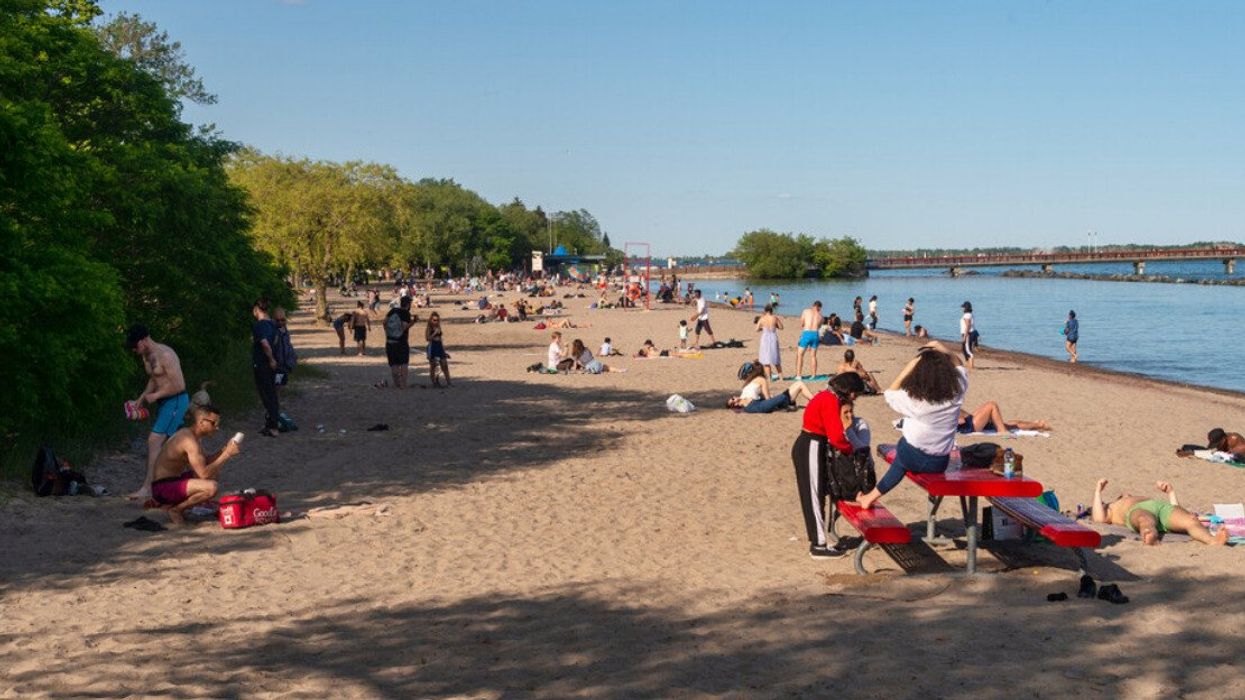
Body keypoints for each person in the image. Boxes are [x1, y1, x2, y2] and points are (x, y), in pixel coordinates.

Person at [857, 342, 967, 509]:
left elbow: (890, 393)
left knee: (902, 450)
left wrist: (913, 363)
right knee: (904, 450)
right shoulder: (957, 390)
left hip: (913, 457)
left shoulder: (915, 400)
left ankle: (869, 497)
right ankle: (870, 497)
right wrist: (939, 346)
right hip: (940, 461)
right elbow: (959, 363)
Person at [791, 372, 866, 558]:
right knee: (814, 496)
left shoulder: (826, 396)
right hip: (812, 445)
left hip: (811, 444)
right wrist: (851, 450)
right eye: (855, 393)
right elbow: (837, 436)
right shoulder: (830, 400)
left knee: (817, 494)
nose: (855, 397)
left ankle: (820, 540)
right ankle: (818, 545)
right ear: (848, 390)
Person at [125, 325, 188, 501]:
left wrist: (157, 395)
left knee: (154, 440)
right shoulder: (146, 356)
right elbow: (155, 379)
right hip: (164, 402)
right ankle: (201, 475)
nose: (133, 349)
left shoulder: (166, 355)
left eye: (135, 345)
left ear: (145, 340)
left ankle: (148, 488)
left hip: (176, 400)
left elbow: (179, 385)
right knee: (185, 441)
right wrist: (141, 398)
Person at [150, 404, 240, 526]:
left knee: (214, 474)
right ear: (201, 422)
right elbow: (203, 474)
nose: (217, 427)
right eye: (214, 423)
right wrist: (227, 455)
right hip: (162, 488)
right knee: (211, 487)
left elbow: (205, 461)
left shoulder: (192, 436)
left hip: (171, 482)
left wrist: (224, 450)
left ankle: (177, 506)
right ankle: (176, 510)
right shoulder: (188, 440)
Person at [1093, 478, 1228, 546]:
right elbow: (1099, 518)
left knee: (1190, 520)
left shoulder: (1133, 498)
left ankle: (1212, 540)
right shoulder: (1112, 506)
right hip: (1138, 510)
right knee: (1145, 520)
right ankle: (1150, 534)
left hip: (1161, 507)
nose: (1126, 493)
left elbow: (1177, 508)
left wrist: (1170, 492)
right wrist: (1098, 491)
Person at [727, 362, 813, 413]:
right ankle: (816, 402)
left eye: (732, 398)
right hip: (757, 405)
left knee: (799, 384)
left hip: (757, 404)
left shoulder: (746, 389)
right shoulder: (760, 380)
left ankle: (791, 403)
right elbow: (768, 399)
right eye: (733, 400)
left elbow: (763, 397)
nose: (734, 398)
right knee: (796, 387)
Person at [251, 300, 281, 437]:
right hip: (272, 365)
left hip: (263, 364)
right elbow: (275, 342)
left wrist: (270, 359)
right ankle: (270, 423)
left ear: (257, 309)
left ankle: (273, 426)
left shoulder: (259, 326)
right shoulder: (273, 324)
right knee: (272, 393)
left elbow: (265, 344)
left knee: (266, 394)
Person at [958, 401, 1051, 433]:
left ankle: (1036, 425)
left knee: (1008, 424)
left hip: (970, 421)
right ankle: (1002, 431)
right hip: (969, 425)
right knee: (991, 405)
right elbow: (960, 421)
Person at [384, 297, 415, 389]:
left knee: (394, 364)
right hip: (401, 342)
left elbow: (384, 322)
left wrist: (388, 333)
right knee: (404, 363)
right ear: (408, 304)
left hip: (390, 341)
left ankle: (396, 384)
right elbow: (404, 327)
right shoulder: (406, 313)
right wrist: (414, 322)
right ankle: (403, 385)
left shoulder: (392, 310)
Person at [755, 304, 784, 380]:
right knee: (776, 358)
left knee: (766, 359)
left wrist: (762, 328)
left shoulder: (762, 318)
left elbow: (757, 329)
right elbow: (781, 327)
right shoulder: (775, 318)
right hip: (773, 337)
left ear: (765, 310)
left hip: (765, 338)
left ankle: (769, 378)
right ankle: (781, 377)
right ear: (772, 310)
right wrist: (775, 326)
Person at [796, 301, 823, 379]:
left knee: (800, 355)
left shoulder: (806, 311)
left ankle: (798, 375)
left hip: (807, 333)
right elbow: (819, 326)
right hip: (815, 334)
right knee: (813, 356)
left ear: (813, 305)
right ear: (820, 308)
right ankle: (813, 375)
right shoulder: (821, 317)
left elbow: (802, 324)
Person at [425, 312, 451, 387]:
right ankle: (434, 383)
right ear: (431, 320)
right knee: (433, 366)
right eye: (434, 320)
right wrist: (434, 333)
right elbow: (427, 338)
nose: (436, 322)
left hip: (439, 346)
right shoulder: (429, 328)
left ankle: (449, 383)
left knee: (444, 365)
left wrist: (444, 350)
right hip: (432, 346)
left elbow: (440, 339)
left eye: (437, 320)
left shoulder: (438, 326)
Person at [960, 301, 978, 369]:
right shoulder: (970, 314)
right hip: (970, 333)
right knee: (965, 349)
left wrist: (965, 336)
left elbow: (968, 325)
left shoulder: (967, 315)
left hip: (968, 333)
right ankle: (968, 363)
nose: (962, 308)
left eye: (963, 307)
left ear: (966, 308)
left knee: (967, 350)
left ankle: (971, 365)